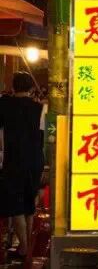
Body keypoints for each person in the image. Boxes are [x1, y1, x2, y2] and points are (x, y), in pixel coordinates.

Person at [0, 72, 44, 258]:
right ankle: (27, 247)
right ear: (31, 88)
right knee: (29, 204)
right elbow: (43, 136)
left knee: (15, 205)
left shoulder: (4, 105)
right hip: (35, 160)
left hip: (13, 160)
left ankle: (24, 247)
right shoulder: (39, 108)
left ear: (13, 86)